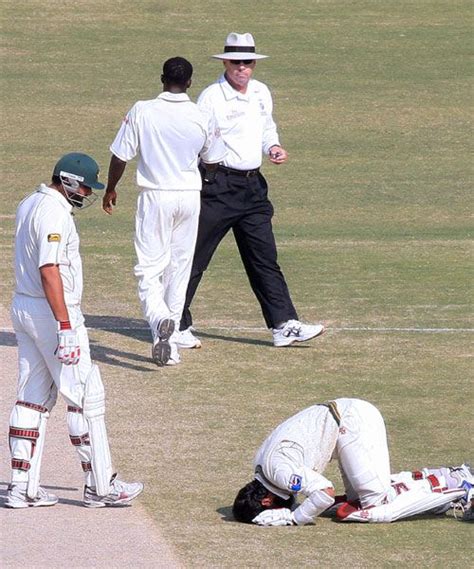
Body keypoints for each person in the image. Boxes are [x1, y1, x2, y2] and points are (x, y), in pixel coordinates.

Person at [7, 152, 143, 509]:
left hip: (24, 307)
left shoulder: (29, 202)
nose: (87, 192)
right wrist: (65, 326)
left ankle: (22, 487)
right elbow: (49, 269)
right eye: (84, 185)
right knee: (86, 395)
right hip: (52, 312)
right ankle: (101, 486)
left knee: (32, 396)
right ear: (66, 180)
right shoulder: (53, 212)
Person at [176, 32, 324, 350]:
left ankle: (283, 325)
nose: (242, 68)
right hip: (217, 186)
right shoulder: (211, 98)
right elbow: (196, 140)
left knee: (264, 258)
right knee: (195, 257)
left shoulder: (260, 92)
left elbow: (266, 126)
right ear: (226, 62)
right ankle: (175, 323)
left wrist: (273, 146)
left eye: (248, 62)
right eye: (236, 62)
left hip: (253, 188)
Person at [103, 57, 226, 366]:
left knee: (148, 268)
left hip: (155, 196)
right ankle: (168, 347)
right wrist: (201, 172)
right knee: (179, 270)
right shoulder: (201, 114)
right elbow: (213, 160)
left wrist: (110, 188)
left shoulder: (142, 110)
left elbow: (120, 156)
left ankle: (160, 323)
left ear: (162, 78)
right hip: (189, 197)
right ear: (189, 83)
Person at [232, 398, 473, 524]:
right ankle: (442, 484)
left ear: (266, 500)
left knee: (374, 506)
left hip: (353, 422)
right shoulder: (264, 467)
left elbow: (325, 492)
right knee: (356, 503)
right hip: (345, 425)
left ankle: (459, 485)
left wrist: (294, 519)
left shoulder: (278, 472)